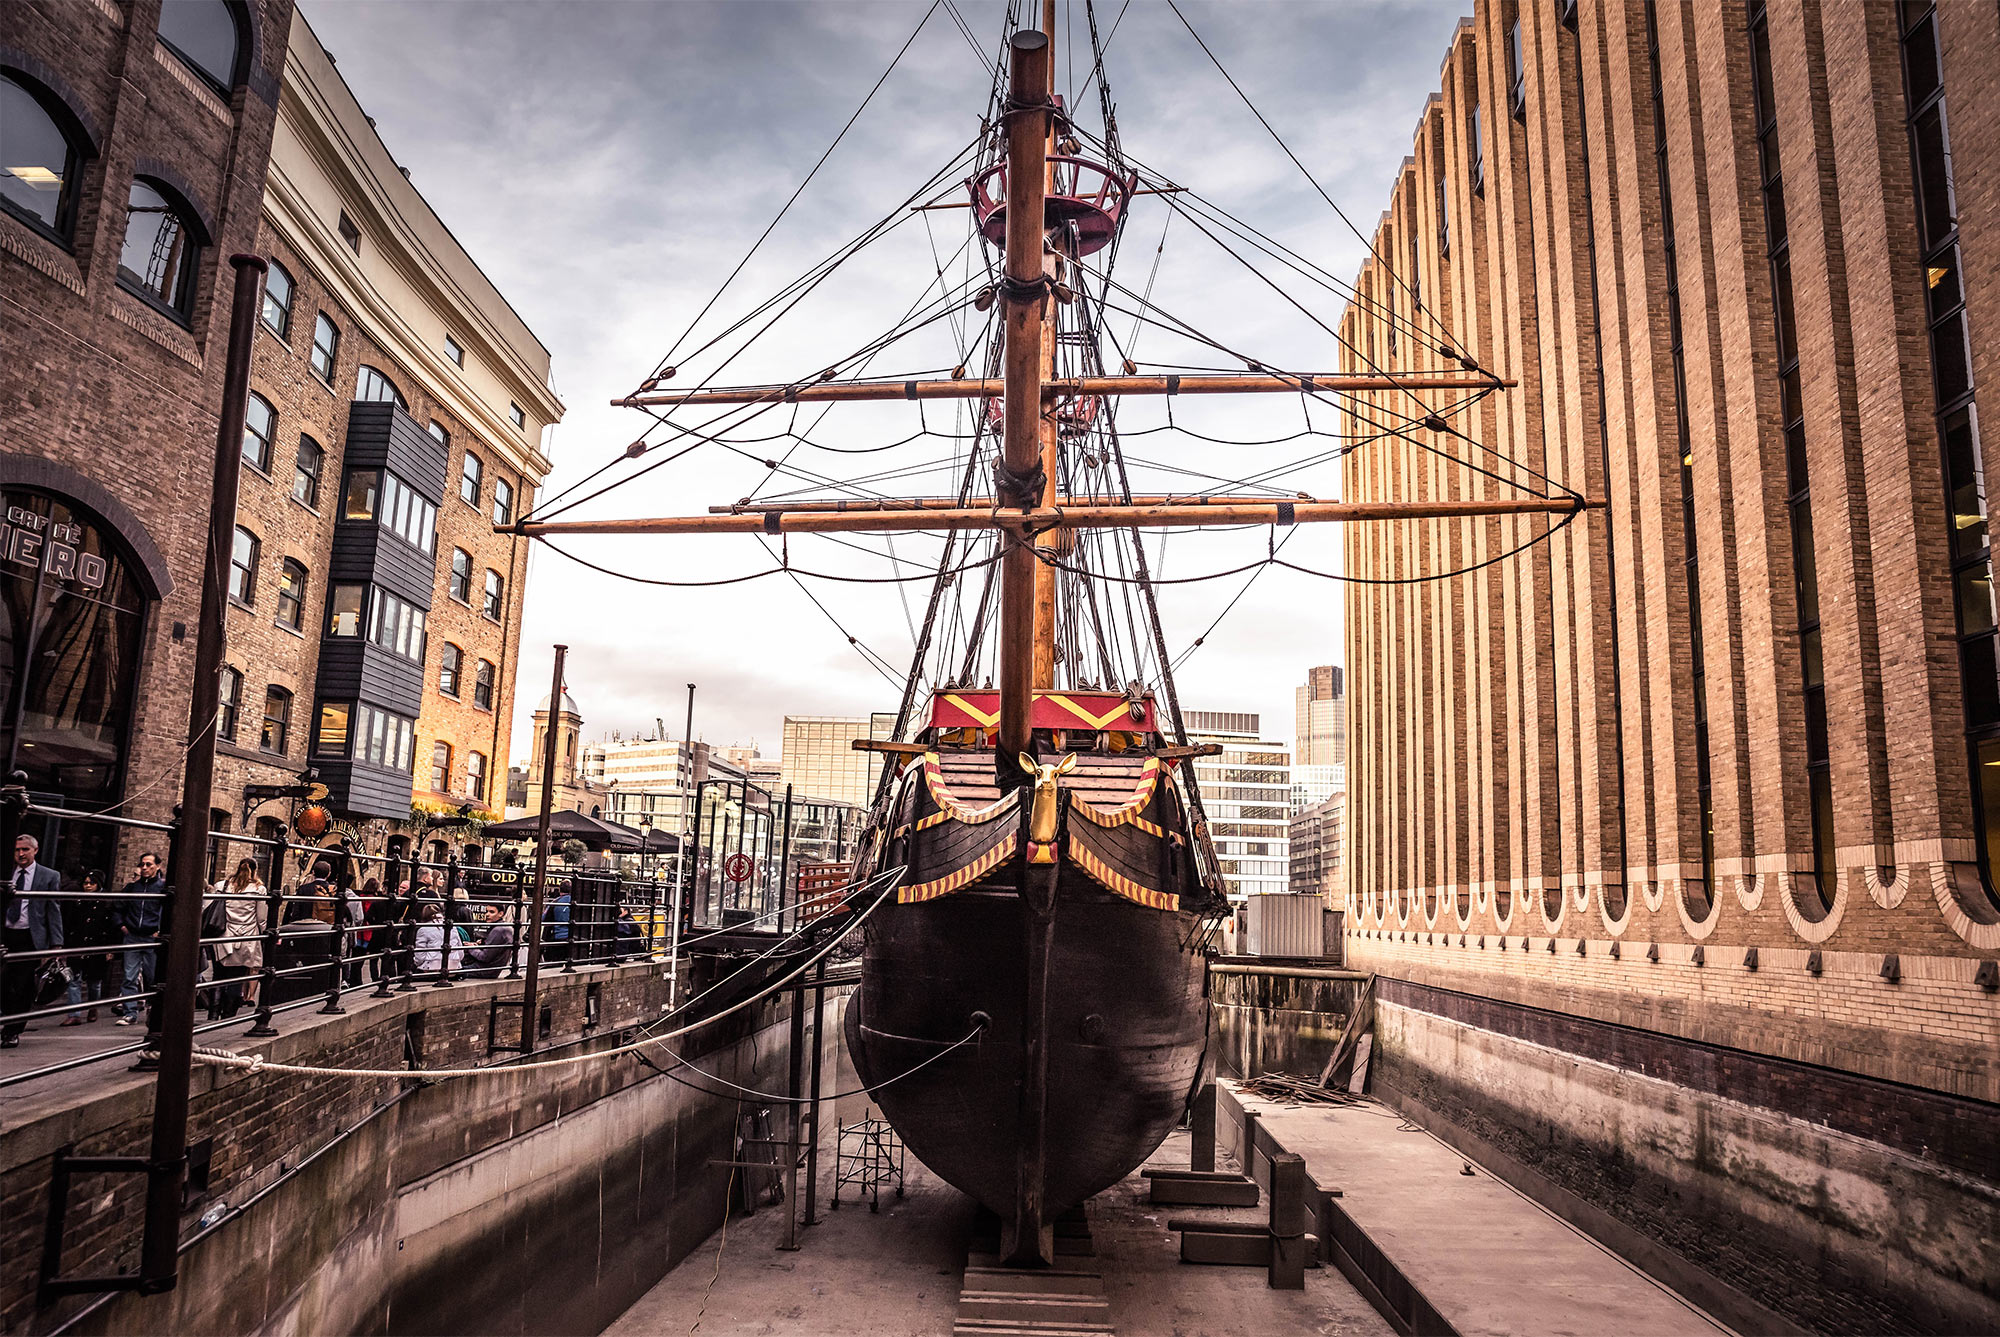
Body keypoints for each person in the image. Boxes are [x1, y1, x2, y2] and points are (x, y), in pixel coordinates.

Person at [4, 834, 64, 1046]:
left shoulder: (49, 876)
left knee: (22, 987)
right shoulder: (6, 872)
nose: (20, 854)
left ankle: (12, 1030)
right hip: (5, 935)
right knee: (4, 984)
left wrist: (56, 944)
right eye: (17, 850)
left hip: (29, 937)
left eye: (25, 850)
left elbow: (53, 909)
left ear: (35, 851)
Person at [207, 858, 265, 1020]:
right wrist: (266, 934)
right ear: (255, 870)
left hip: (222, 937)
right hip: (245, 938)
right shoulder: (258, 890)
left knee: (217, 976)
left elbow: (209, 907)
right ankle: (229, 1014)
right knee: (236, 978)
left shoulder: (222, 886)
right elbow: (261, 918)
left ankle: (213, 1013)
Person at [113, 851, 165, 1026]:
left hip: (152, 938)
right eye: (142, 864)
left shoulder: (162, 888)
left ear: (158, 866)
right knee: (129, 976)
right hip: (133, 936)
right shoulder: (132, 888)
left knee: (152, 977)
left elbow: (167, 911)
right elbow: (118, 907)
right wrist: (122, 926)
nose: (144, 868)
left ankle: (152, 1009)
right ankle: (130, 1012)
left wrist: (159, 929)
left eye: (149, 865)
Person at [62, 870, 118, 1024]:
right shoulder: (78, 900)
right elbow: (70, 923)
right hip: (78, 943)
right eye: (85, 883)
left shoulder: (107, 902)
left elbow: (111, 926)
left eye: (91, 883)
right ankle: (74, 1014)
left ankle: (93, 1007)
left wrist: (110, 948)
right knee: (74, 979)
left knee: (94, 981)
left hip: (97, 944)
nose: (88, 886)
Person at [365, 878, 411, 981]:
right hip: (391, 933)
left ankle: (375, 979)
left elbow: (368, 916)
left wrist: (375, 924)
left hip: (378, 933)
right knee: (390, 958)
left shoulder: (377, 903)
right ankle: (389, 977)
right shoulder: (397, 904)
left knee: (374, 958)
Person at [462, 902, 515, 978]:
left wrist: (471, 948)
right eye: (486, 911)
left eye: (491, 912)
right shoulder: (504, 928)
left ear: (500, 914)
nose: (487, 914)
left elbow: (484, 957)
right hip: (490, 969)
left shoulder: (498, 930)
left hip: (485, 970)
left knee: (453, 970)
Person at [410, 903, 463, 975]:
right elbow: (460, 951)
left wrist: (417, 964)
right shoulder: (452, 926)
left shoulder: (423, 929)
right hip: (454, 967)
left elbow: (420, 955)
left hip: (432, 968)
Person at [287, 859, 336, 926]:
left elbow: (296, 911)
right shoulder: (332, 890)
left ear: (313, 872)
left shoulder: (303, 889)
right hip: (325, 927)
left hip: (304, 926)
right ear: (329, 874)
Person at [542, 888, 572, 963]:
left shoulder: (555, 902)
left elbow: (543, 918)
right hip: (572, 938)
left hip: (558, 936)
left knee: (555, 963)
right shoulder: (575, 902)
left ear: (559, 890)